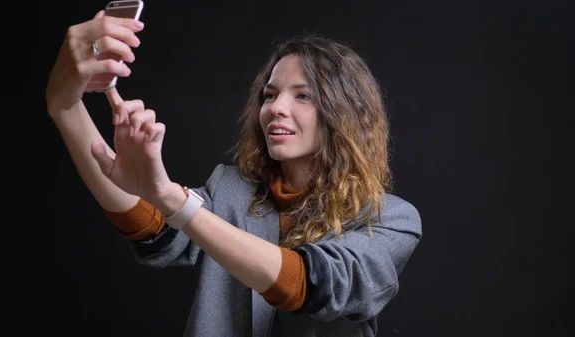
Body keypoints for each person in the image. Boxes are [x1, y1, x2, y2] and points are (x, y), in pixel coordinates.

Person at [46, 9, 422, 337]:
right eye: (270, 95)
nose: (276, 108)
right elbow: (153, 228)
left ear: (346, 113)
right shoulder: (231, 189)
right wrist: (65, 107)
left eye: (303, 96)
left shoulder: (389, 219)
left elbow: (310, 285)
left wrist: (171, 196)